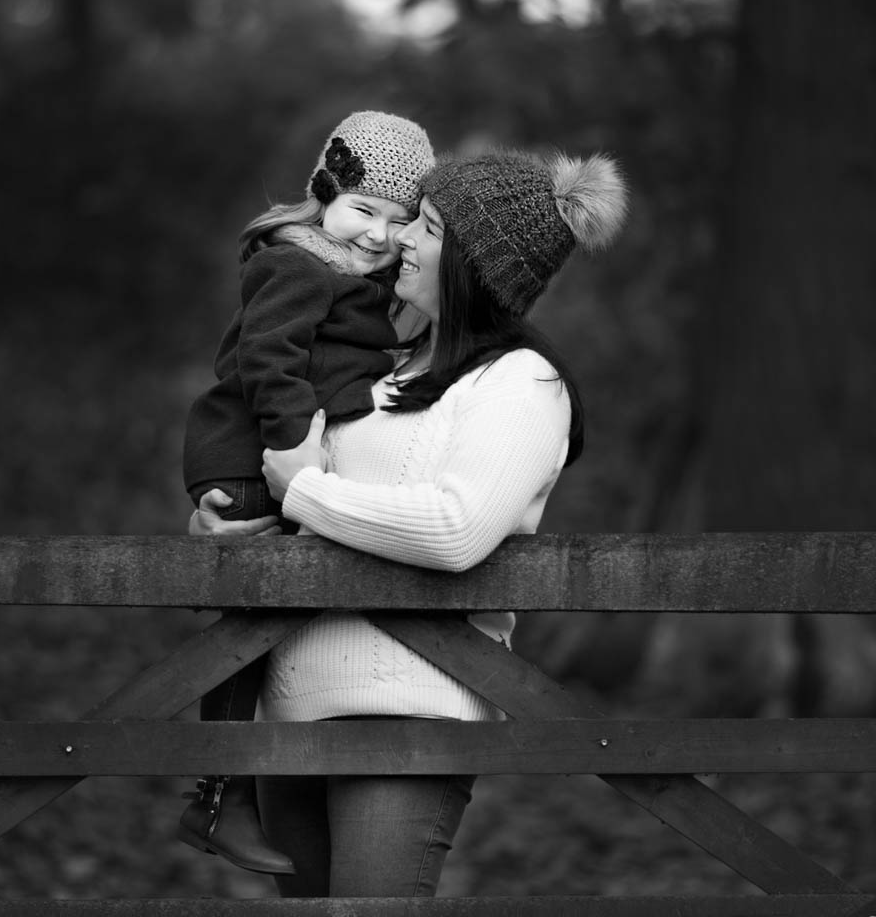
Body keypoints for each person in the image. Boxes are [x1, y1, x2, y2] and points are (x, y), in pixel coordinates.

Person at [190, 147, 629, 897]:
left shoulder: (521, 384)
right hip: (292, 711)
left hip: (410, 714)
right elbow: (283, 473)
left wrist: (304, 494)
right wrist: (223, 523)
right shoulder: (382, 369)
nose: (401, 240)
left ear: (468, 264)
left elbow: (456, 529)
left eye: (424, 227)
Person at [177, 110, 436, 875]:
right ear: (323, 191)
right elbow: (268, 359)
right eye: (364, 209)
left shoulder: (354, 274)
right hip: (252, 452)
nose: (380, 234)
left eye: (400, 220)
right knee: (251, 617)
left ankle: (229, 793)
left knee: (265, 615)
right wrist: (295, 450)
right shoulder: (296, 264)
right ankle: (219, 799)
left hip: (272, 454)